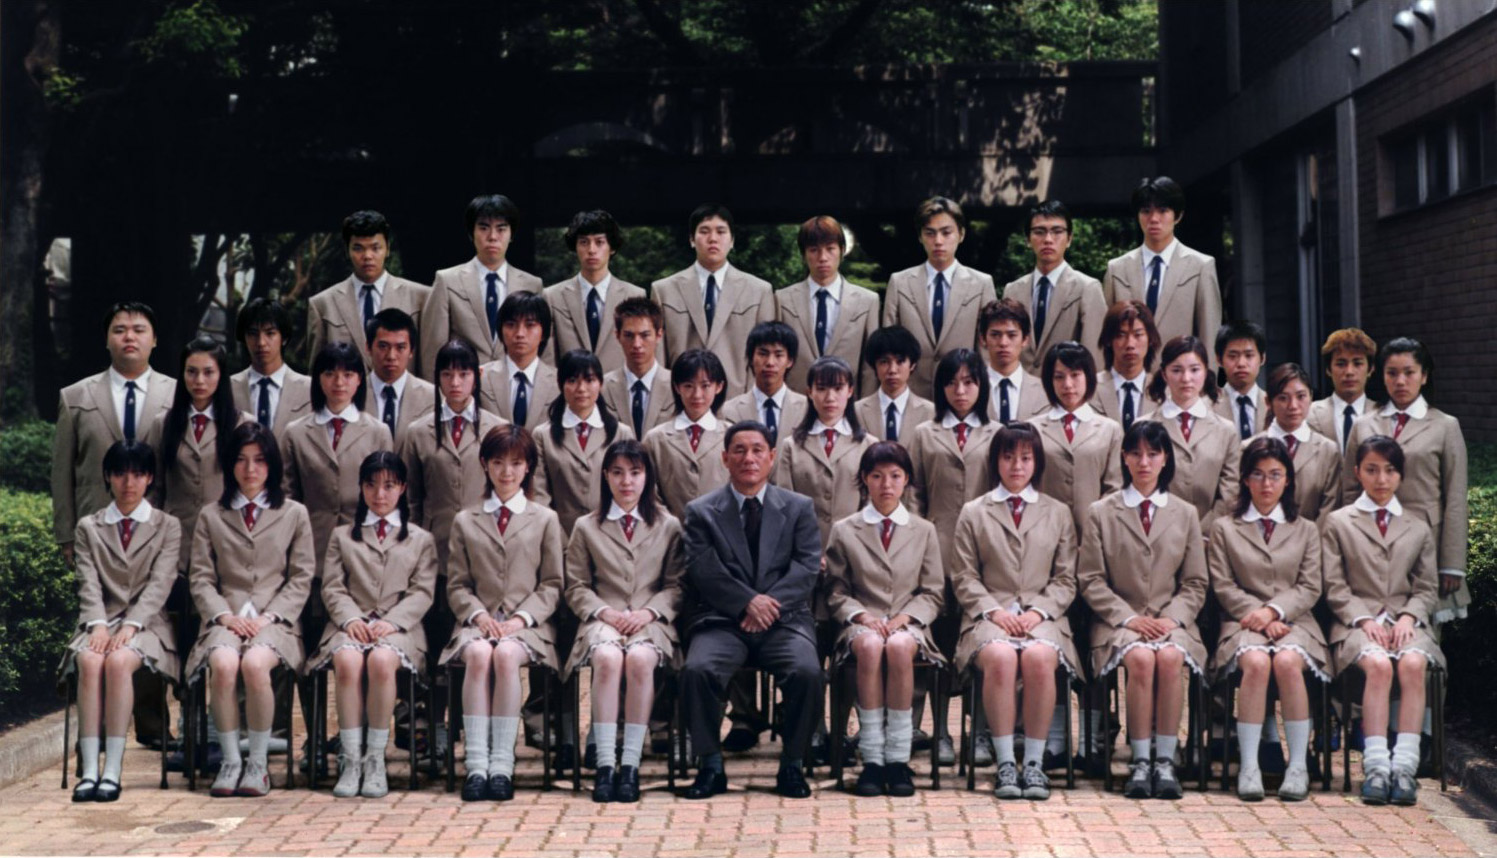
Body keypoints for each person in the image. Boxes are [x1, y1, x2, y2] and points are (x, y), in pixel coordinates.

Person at [678, 421, 824, 800]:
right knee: (697, 670)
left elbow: (806, 566)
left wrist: (767, 605)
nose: (749, 458)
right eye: (739, 450)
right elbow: (704, 570)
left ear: (772, 457)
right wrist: (747, 602)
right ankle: (710, 765)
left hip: (784, 620)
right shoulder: (701, 512)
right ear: (725, 458)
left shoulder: (798, 507)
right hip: (722, 620)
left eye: (758, 450)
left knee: (807, 672)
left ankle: (792, 764)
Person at [1078, 420, 1208, 800]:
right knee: (1139, 659)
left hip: (1171, 619)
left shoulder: (1185, 513)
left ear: (1166, 458)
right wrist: (1130, 618)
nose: (1144, 462)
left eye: (1153, 453)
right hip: (1118, 620)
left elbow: (1195, 582)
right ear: (1124, 457)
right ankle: (1139, 760)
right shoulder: (1101, 512)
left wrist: (1172, 618)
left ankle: (1164, 759)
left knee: (1169, 658)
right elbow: (1091, 579)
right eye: (1135, 453)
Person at [951, 423, 1080, 800]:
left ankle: (1035, 764)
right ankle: (1006, 762)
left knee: (1039, 657)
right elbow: (964, 576)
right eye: (1008, 457)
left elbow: (1066, 579)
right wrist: (993, 612)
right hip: (988, 617)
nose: (1017, 466)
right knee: (1001, 657)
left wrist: (1039, 612)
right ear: (995, 462)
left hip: (1043, 618)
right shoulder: (974, 512)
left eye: (1025, 457)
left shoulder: (1058, 512)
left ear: (1037, 462)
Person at [186, 422, 316, 798]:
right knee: (224, 664)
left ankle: (257, 764)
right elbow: (201, 577)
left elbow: (301, 576)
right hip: (225, 618)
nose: (250, 469)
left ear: (271, 465)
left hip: (275, 619)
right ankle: (230, 760)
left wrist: (269, 617)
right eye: (241, 460)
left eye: (259, 460)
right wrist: (223, 616)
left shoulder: (293, 513)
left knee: (256, 664)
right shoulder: (212, 515)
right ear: (229, 465)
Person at [440, 425, 564, 802]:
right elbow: (457, 584)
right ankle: (476, 764)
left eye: (516, 463)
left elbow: (552, 583)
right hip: (477, 623)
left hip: (527, 626)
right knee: (479, 654)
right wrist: (478, 616)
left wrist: (521, 620)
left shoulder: (545, 518)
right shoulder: (466, 519)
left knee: (507, 655)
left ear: (528, 467)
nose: (507, 472)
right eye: (498, 462)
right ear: (484, 464)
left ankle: (502, 764)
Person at [1323, 435, 1443, 806]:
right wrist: (1362, 619)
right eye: (1372, 470)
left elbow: (1426, 587)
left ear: (1401, 475)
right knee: (1378, 665)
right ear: (1358, 472)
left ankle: (1404, 767)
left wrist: (1408, 617)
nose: (1381, 479)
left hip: (1407, 623)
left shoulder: (1417, 526)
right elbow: (1334, 584)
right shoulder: (1338, 522)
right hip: (1355, 624)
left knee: (1413, 663)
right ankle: (1375, 767)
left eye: (1390, 470)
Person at [308, 452, 436, 798]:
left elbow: (422, 591)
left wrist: (391, 622)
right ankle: (351, 758)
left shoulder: (420, 539)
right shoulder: (342, 536)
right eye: (371, 485)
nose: (380, 494)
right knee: (348, 660)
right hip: (349, 625)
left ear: (403, 488)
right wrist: (351, 619)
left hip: (400, 629)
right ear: (361, 488)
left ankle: (375, 757)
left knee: (381, 661)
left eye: (389, 486)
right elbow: (333, 587)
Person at [1207, 437, 1328, 802]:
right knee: (1256, 663)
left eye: (1275, 475)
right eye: (1257, 475)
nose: (1266, 484)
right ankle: (1250, 766)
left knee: (1289, 662)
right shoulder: (1224, 528)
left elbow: (1310, 586)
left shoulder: (1306, 529)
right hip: (1241, 621)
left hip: (1295, 622)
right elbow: (1223, 585)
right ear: (1245, 479)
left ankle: (1297, 766)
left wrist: (1274, 612)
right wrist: (1259, 615)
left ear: (1287, 480)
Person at [563, 439, 685, 803]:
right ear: (605, 476)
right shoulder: (587, 526)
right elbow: (576, 585)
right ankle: (605, 762)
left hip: (651, 617)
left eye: (635, 472)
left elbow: (677, 585)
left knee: (641, 660)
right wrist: (605, 612)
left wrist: (649, 612)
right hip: (604, 615)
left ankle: (630, 763)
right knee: (607, 658)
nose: (626, 481)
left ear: (648, 476)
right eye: (617, 473)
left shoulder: (668, 525)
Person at [823, 442, 945, 797]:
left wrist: (907, 616)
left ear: (906, 479)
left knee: (900, 646)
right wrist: (861, 615)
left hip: (909, 623)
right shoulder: (845, 529)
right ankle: (873, 757)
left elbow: (933, 591)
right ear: (865, 479)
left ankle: (898, 757)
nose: (886, 485)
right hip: (862, 622)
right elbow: (836, 589)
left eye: (895, 476)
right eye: (877, 476)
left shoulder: (923, 529)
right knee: (871, 645)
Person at [63, 440, 182, 803]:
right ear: (108, 477)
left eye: (138, 474)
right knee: (89, 659)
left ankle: (112, 769)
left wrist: (133, 625)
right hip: (101, 620)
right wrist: (98, 624)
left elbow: (161, 583)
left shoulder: (167, 525)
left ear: (149, 478)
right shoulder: (89, 526)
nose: (129, 483)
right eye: (120, 474)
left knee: (117, 663)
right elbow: (88, 582)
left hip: (150, 624)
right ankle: (89, 770)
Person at [907, 348, 999, 764]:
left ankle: (980, 731)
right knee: (940, 643)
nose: (960, 391)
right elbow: (914, 493)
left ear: (982, 386)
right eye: (951, 382)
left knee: (982, 642)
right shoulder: (924, 434)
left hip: (988, 554)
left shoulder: (997, 433)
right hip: (938, 551)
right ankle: (940, 730)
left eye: (969, 382)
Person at [1341, 339, 1468, 633]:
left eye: (1409, 372)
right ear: (1381, 376)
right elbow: (1349, 490)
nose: (1400, 381)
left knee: (1421, 633)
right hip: (1371, 540)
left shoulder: (1445, 426)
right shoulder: (1363, 424)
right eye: (1392, 373)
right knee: (1372, 631)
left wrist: (1451, 562)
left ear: (1424, 376)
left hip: (1425, 543)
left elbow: (1456, 496)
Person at [53, 302, 176, 563]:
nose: (129, 337)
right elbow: (62, 471)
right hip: (94, 528)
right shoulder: (74, 397)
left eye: (139, 330)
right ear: (107, 340)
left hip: (158, 529)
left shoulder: (178, 396)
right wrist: (66, 534)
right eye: (119, 330)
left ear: (154, 339)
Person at [282, 342, 397, 578]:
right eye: (330, 373)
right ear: (318, 379)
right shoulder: (295, 433)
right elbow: (287, 497)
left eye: (348, 374)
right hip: (310, 548)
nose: (339, 382)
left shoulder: (378, 432)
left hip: (364, 549)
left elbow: (388, 498)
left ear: (359, 380)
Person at [653, 203, 776, 397]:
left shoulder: (759, 291)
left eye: (721, 232)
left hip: (738, 399)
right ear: (692, 239)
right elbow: (658, 357)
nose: (713, 239)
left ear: (732, 240)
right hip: (682, 399)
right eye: (704, 231)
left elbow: (765, 357)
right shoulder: (663, 290)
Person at [151, 338, 252, 572]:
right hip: (174, 540)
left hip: (226, 536)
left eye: (208, 372)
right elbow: (155, 487)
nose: (199, 381)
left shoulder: (242, 423)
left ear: (221, 375)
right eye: (191, 372)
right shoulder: (163, 424)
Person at [881, 197, 997, 399]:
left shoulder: (981, 284)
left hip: (961, 394)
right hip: (910, 394)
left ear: (961, 234)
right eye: (930, 233)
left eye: (946, 232)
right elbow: (888, 347)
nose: (938, 241)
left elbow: (986, 351)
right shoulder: (899, 283)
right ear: (920, 237)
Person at [1102, 177, 1222, 368]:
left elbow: (1210, 335)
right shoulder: (1117, 269)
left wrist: (1208, 383)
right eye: (1146, 211)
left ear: (1178, 216)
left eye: (1163, 210)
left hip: (1181, 378)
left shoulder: (1200, 266)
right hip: (1128, 377)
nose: (1154, 219)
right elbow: (1105, 336)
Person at [420, 194, 544, 377]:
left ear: (511, 234)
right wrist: (436, 391)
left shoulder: (532, 285)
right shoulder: (446, 280)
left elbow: (543, 349)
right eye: (484, 228)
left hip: (514, 384)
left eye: (501, 229)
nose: (492, 237)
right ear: (471, 233)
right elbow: (433, 350)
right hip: (462, 385)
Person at [308, 210, 431, 374]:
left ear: (387, 249)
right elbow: (317, 372)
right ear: (347, 251)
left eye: (375, 248)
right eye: (358, 248)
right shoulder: (323, 304)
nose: (367, 256)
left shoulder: (421, 297)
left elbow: (429, 365)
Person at [772, 356, 874, 546]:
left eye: (838, 388)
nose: (830, 397)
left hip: (854, 546)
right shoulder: (791, 445)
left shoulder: (867, 444)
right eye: (821, 388)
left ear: (850, 391)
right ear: (809, 392)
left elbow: (871, 503)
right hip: (805, 546)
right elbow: (785, 504)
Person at [533, 350, 636, 535]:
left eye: (589, 380)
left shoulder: (621, 433)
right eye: (572, 380)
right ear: (560, 384)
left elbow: (631, 491)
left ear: (600, 383)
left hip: (611, 537)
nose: (581, 388)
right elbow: (540, 496)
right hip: (560, 537)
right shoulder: (542, 435)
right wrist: (559, 540)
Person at [776, 215, 880, 396]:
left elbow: (869, 366)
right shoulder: (782, 299)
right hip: (796, 400)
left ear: (842, 250)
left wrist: (865, 407)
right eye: (814, 250)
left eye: (830, 249)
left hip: (847, 402)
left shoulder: (867, 301)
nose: (823, 257)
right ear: (804, 254)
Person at [1144, 335, 1240, 532]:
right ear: (1164, 374)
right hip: (1159, 533)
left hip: (1211, 535)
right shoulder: (1145, 427)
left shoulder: (1226, 430)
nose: (1186, 379)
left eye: (1194, 370)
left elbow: (1230, 491)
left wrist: (1203, 531)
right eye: (1176, 370)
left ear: (1205, 372)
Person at [1002, 200, 1106, 374]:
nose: (1048, 240)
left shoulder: (1087, 288)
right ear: (1028, 239)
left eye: (1057, 231)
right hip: (1021, 388)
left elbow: (1094, 360)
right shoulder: (1013, 290)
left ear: (1069, 238)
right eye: (1039, 232)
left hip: (1066, 386)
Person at [1034, 341, 1123, 534]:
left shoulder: (1110, 429)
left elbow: (1115, 488)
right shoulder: (1033, 429)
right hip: (1044, 532)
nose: (1068, 385)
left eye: (1075, 375)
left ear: (1088, 377)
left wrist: (1097, 527)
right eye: (1059, 377)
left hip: (1094, 531)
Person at [544, 210, 648, 373]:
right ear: (575, 247)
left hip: (619, 387)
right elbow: (548, 360)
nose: (591, 250)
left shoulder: (635, 295)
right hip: (571, 384)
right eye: (584, 242)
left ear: (612, 248)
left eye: (599, 242)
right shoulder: (552, 296)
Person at [644, 348, 731, 521]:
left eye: (705, 386)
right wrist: (670, 525)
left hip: (721, 530)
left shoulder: (731, 435)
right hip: (671, 531)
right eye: (688, 386)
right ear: (677, 387)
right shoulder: (655, 438)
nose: (697, 395)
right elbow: (649, 492)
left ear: (719, 387)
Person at [1246, 364, 1340, 522]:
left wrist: (1309, 536)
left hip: (1312, 535)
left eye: (1301, 396)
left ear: (1311, 397)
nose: (1293, 406)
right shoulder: (1248, 448)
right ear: (1268, 402)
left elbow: (1329, 507)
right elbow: (1242, 502)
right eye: (1283, 398)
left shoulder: (1328, 450)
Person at [231, 297, 312, 438]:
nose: (261, 342)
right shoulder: (228, 387)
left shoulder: (309, 389)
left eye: (270, 333)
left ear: (284, 338)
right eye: (253, 334)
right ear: (244, 338)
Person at [719, 321, 808, 447]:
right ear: (751, 358)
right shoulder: (729, 410)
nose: (770, 362)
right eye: (763, 354)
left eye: (778, 355)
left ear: (790, 361)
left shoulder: (806, 409)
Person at [478, 292, 559, 431]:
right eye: (511, 325)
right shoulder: (481, 376)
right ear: (501, 330)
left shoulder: (559, 382)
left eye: (530, 325)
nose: (520, 333)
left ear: (544, 332)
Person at [599, 297, 673, 439]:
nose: (637, 344)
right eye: (629, 336)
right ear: (617, 336)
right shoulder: (603, 388)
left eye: (645, 335)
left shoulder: (676, 387)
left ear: (659, 335)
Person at [363, 309, 436, 447]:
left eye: (400, 347)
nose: (391, 356)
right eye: (383, 346)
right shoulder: (352, 394)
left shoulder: (432, 398)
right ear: (368, 347)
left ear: (411, 351)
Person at [853, 326, 935, 446]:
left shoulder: (930, 412)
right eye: (884, 362)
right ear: (874, 366)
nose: (892, 370)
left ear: (912, 365)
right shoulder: (857, 411)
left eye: (900, 361)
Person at [1092, 300, 1161, 431]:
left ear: (1150, 339)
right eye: (1121, 335)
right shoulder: (1090, 388)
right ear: (1108, 340)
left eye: (1138, 335)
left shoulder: (1163, 390)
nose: (1130, 344)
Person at [978, 298, 1049, 425]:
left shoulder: (1045, 391)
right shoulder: (970, 389)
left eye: (1011, 335)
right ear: (983, 339)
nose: (1003, 343)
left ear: (1025, 339)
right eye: (995, 335)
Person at [1307, 327, 1377, 451]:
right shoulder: (1310, 413)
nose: (1349, 372)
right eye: (1341, 364)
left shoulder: (1382, 414)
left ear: (1370, 369)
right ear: (1328, 369)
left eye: (1357, 363)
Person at [1213, 320, 1271, 440]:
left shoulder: (1274, 405)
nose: (1241, 363)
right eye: (1232, 356)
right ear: (1219, 360)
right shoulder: (1208, 406)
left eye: (1249, 355)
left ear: (1262, 358)